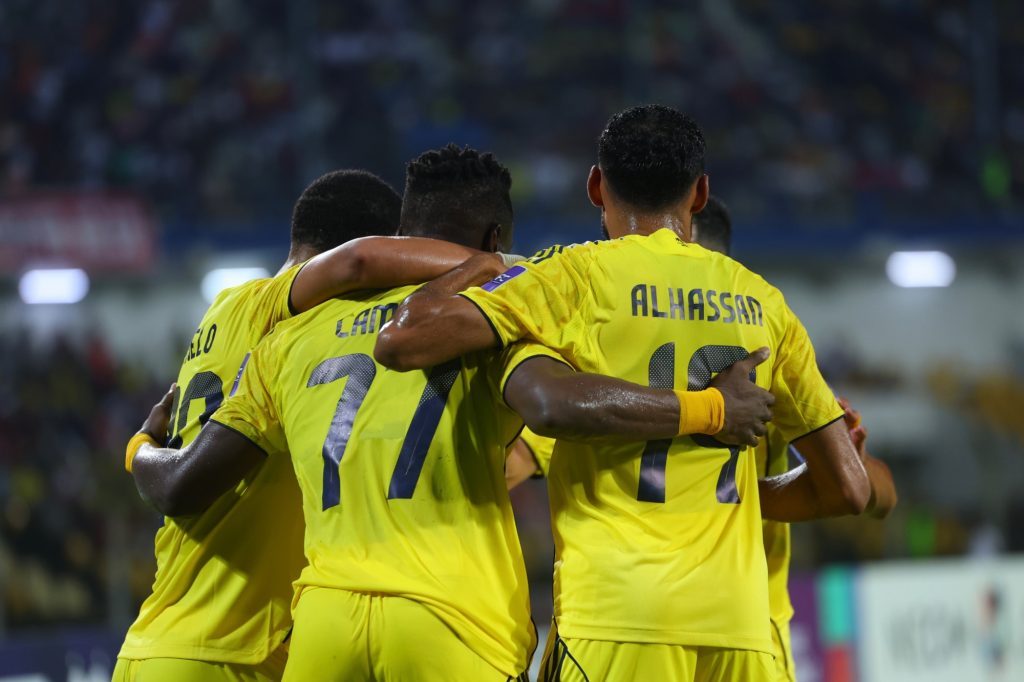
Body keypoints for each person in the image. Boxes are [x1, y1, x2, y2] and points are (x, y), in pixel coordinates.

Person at [125, 144, 776, 681]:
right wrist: (708, 407)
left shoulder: (288, 338)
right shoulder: (494, 322)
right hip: (455, 618)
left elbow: (189, 481)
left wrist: (138, 448)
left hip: (324, 621)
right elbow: (549, 408)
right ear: (493, 240)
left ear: (400, 237)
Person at [373, 105, 872, 681]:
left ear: (595, 186)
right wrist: (712, 496)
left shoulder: (571, 277)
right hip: (740, 632)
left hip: (614, 619)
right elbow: (850, 489)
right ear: (700, 193)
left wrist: (486, 265)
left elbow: (407, 339)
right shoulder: (763, 301)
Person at [114, 168, 512, 682]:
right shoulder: (276, 313)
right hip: (232, 651)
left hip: (155, 640)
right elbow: (357, 261)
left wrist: (138, 446)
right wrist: (500, 266)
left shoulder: (223, 312)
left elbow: (175, 481)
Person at [691, 199, 897, 682]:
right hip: (654, 624)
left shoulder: (769, 363)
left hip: (747, 631)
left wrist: (742, 495)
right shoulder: (629, 371)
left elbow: (878, 493)